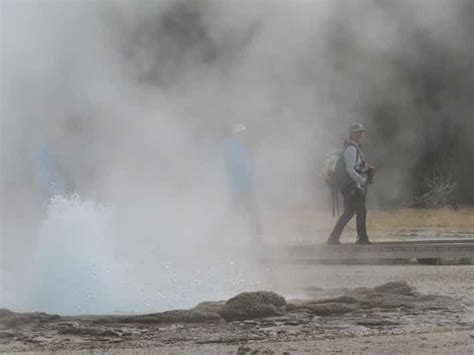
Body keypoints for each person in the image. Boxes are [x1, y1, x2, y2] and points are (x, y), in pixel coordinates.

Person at [327, 123, 372, 245]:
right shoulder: (351, 148)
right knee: (361, 211)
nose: (360, 135)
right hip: (351, 187)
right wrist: (362, 181)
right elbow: (350, 169)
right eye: (357, 133)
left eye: (361, 132)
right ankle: (362, 239)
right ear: (351, 134)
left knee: (348, 213)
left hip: (350, 186)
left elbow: (354, 168)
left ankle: (333, 238)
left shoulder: (354, 147)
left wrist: (363, 170)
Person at [224, 123, 263, 240]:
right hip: (238, 188)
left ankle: (257, 237)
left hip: (245, 187)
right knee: (236, 213)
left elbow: (247, 166)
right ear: (234, 134)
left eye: (244, 133)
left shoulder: (241, 147)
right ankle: (216, 237)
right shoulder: (231, 147)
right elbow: (237, 166)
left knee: (250, 212)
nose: (243, 135)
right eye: (241, 133)